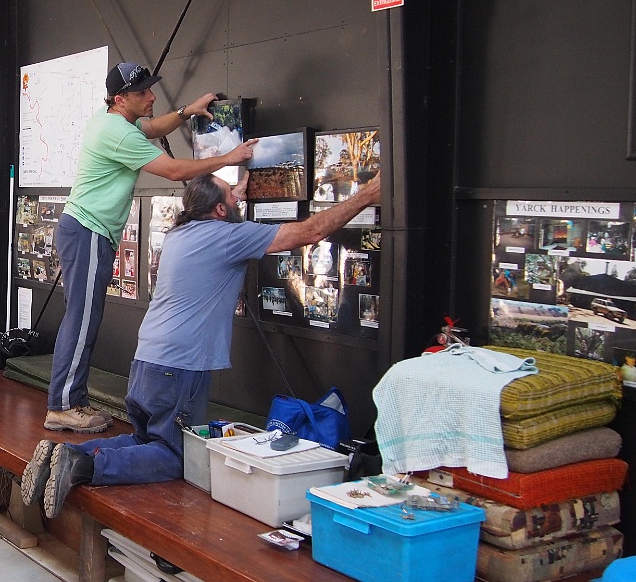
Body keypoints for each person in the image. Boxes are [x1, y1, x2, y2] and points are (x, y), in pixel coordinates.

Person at [24, 171, 383, 518]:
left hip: (147, 359)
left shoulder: (179, 235)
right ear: (220, 209)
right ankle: (82, 465)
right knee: (175, 454)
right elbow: (310, 231)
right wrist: (368, 195)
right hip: (181, 367)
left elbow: (223, 210)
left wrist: (236, 190)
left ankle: (61, 453)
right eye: (231, 196)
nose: (237, 199)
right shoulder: (228, 237)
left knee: (145, 440)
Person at [47, 62, 258, 433]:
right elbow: (174, 171)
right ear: (120, 98)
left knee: (84, 318)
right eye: (142, 92)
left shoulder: (115, 120)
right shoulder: (117, 133)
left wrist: (186, 111)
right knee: (82, 321)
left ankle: (70, 399)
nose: (151, 96)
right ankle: (63, 406)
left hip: (86, 232)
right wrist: (229, 158)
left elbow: (154, 127)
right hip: (88, 232)